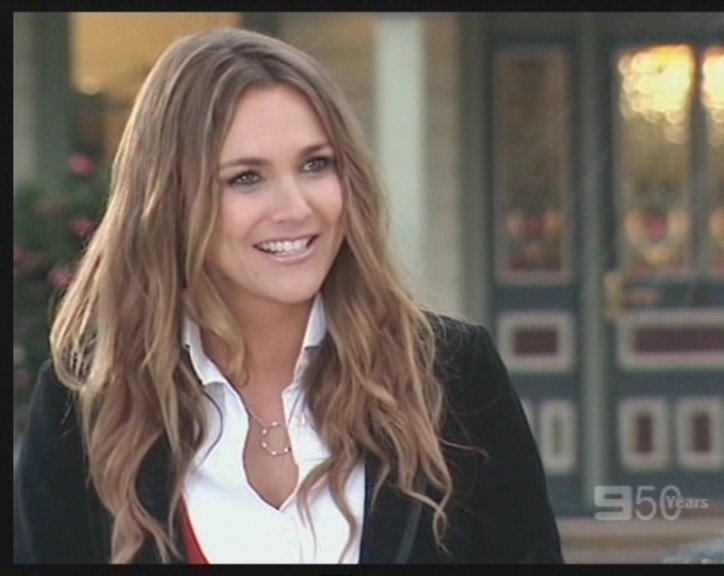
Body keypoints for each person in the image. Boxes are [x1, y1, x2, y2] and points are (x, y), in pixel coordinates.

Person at [14, 28, 563, 564]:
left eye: (315, 165)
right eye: (246, 178)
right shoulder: (84, 407)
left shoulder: (452, 375)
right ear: (173, 201)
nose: (297, 207)